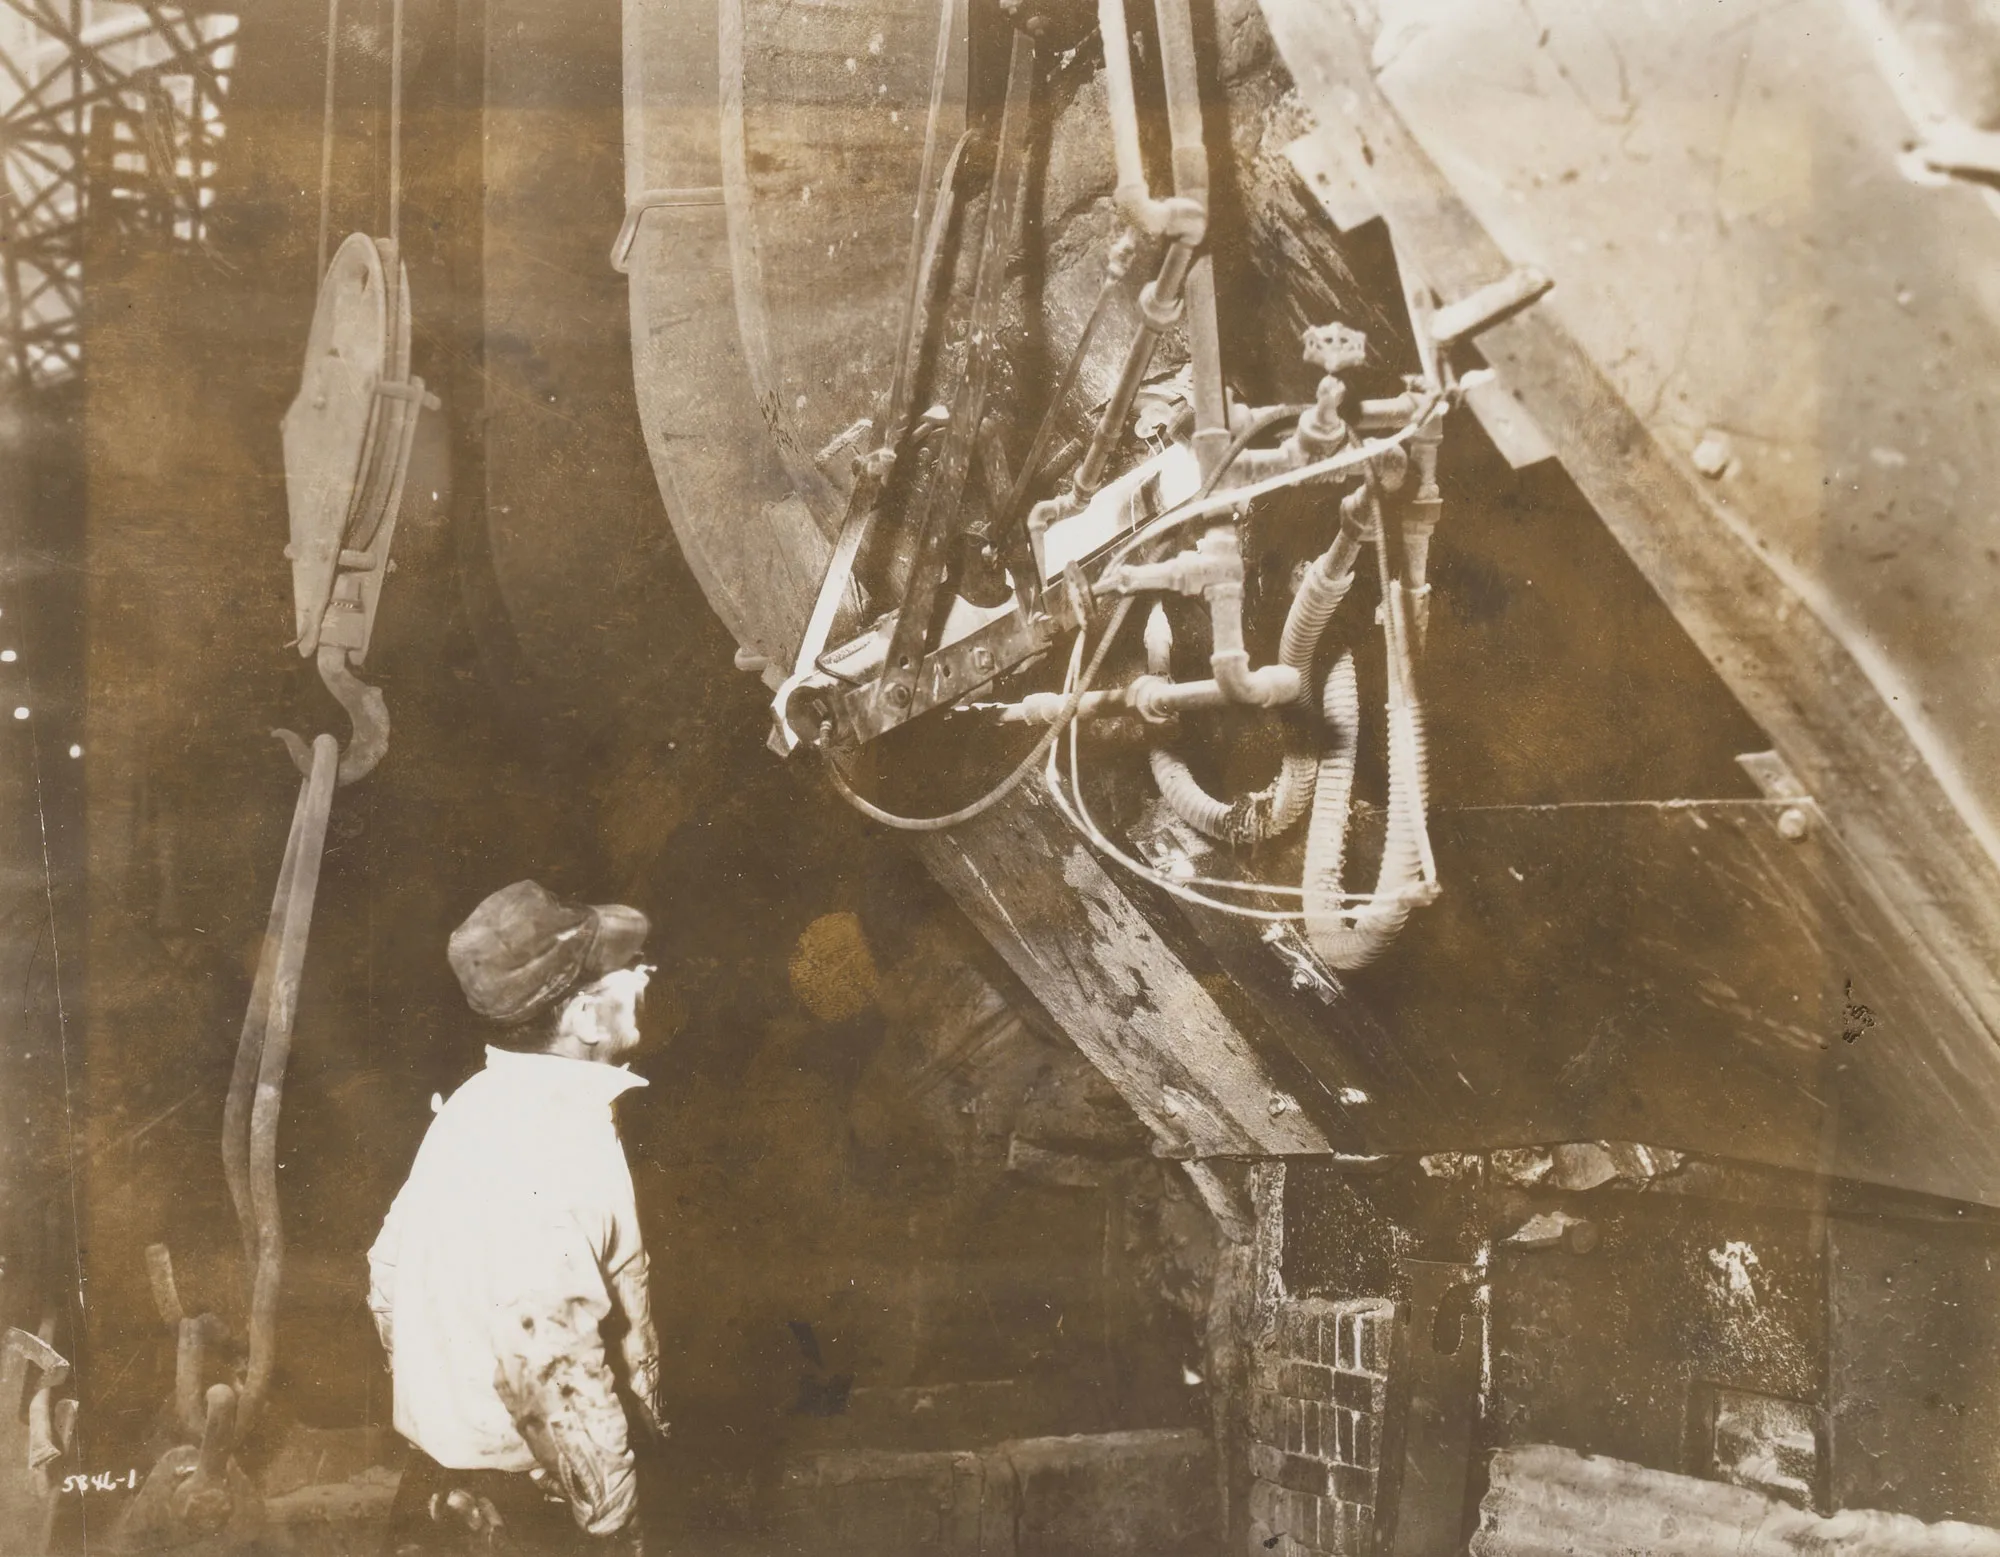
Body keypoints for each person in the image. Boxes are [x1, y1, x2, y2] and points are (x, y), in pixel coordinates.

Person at [370, 880, 666, 1554]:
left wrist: (452, 1401)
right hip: (526, 1511)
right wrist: (612, 1522)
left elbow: (387, 1274)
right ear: (587, 1018)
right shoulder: (562, 1140)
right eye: (629, 969)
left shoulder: (477, 1103)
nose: (647, 975)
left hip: (448, 1481)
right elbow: (551, 1359)